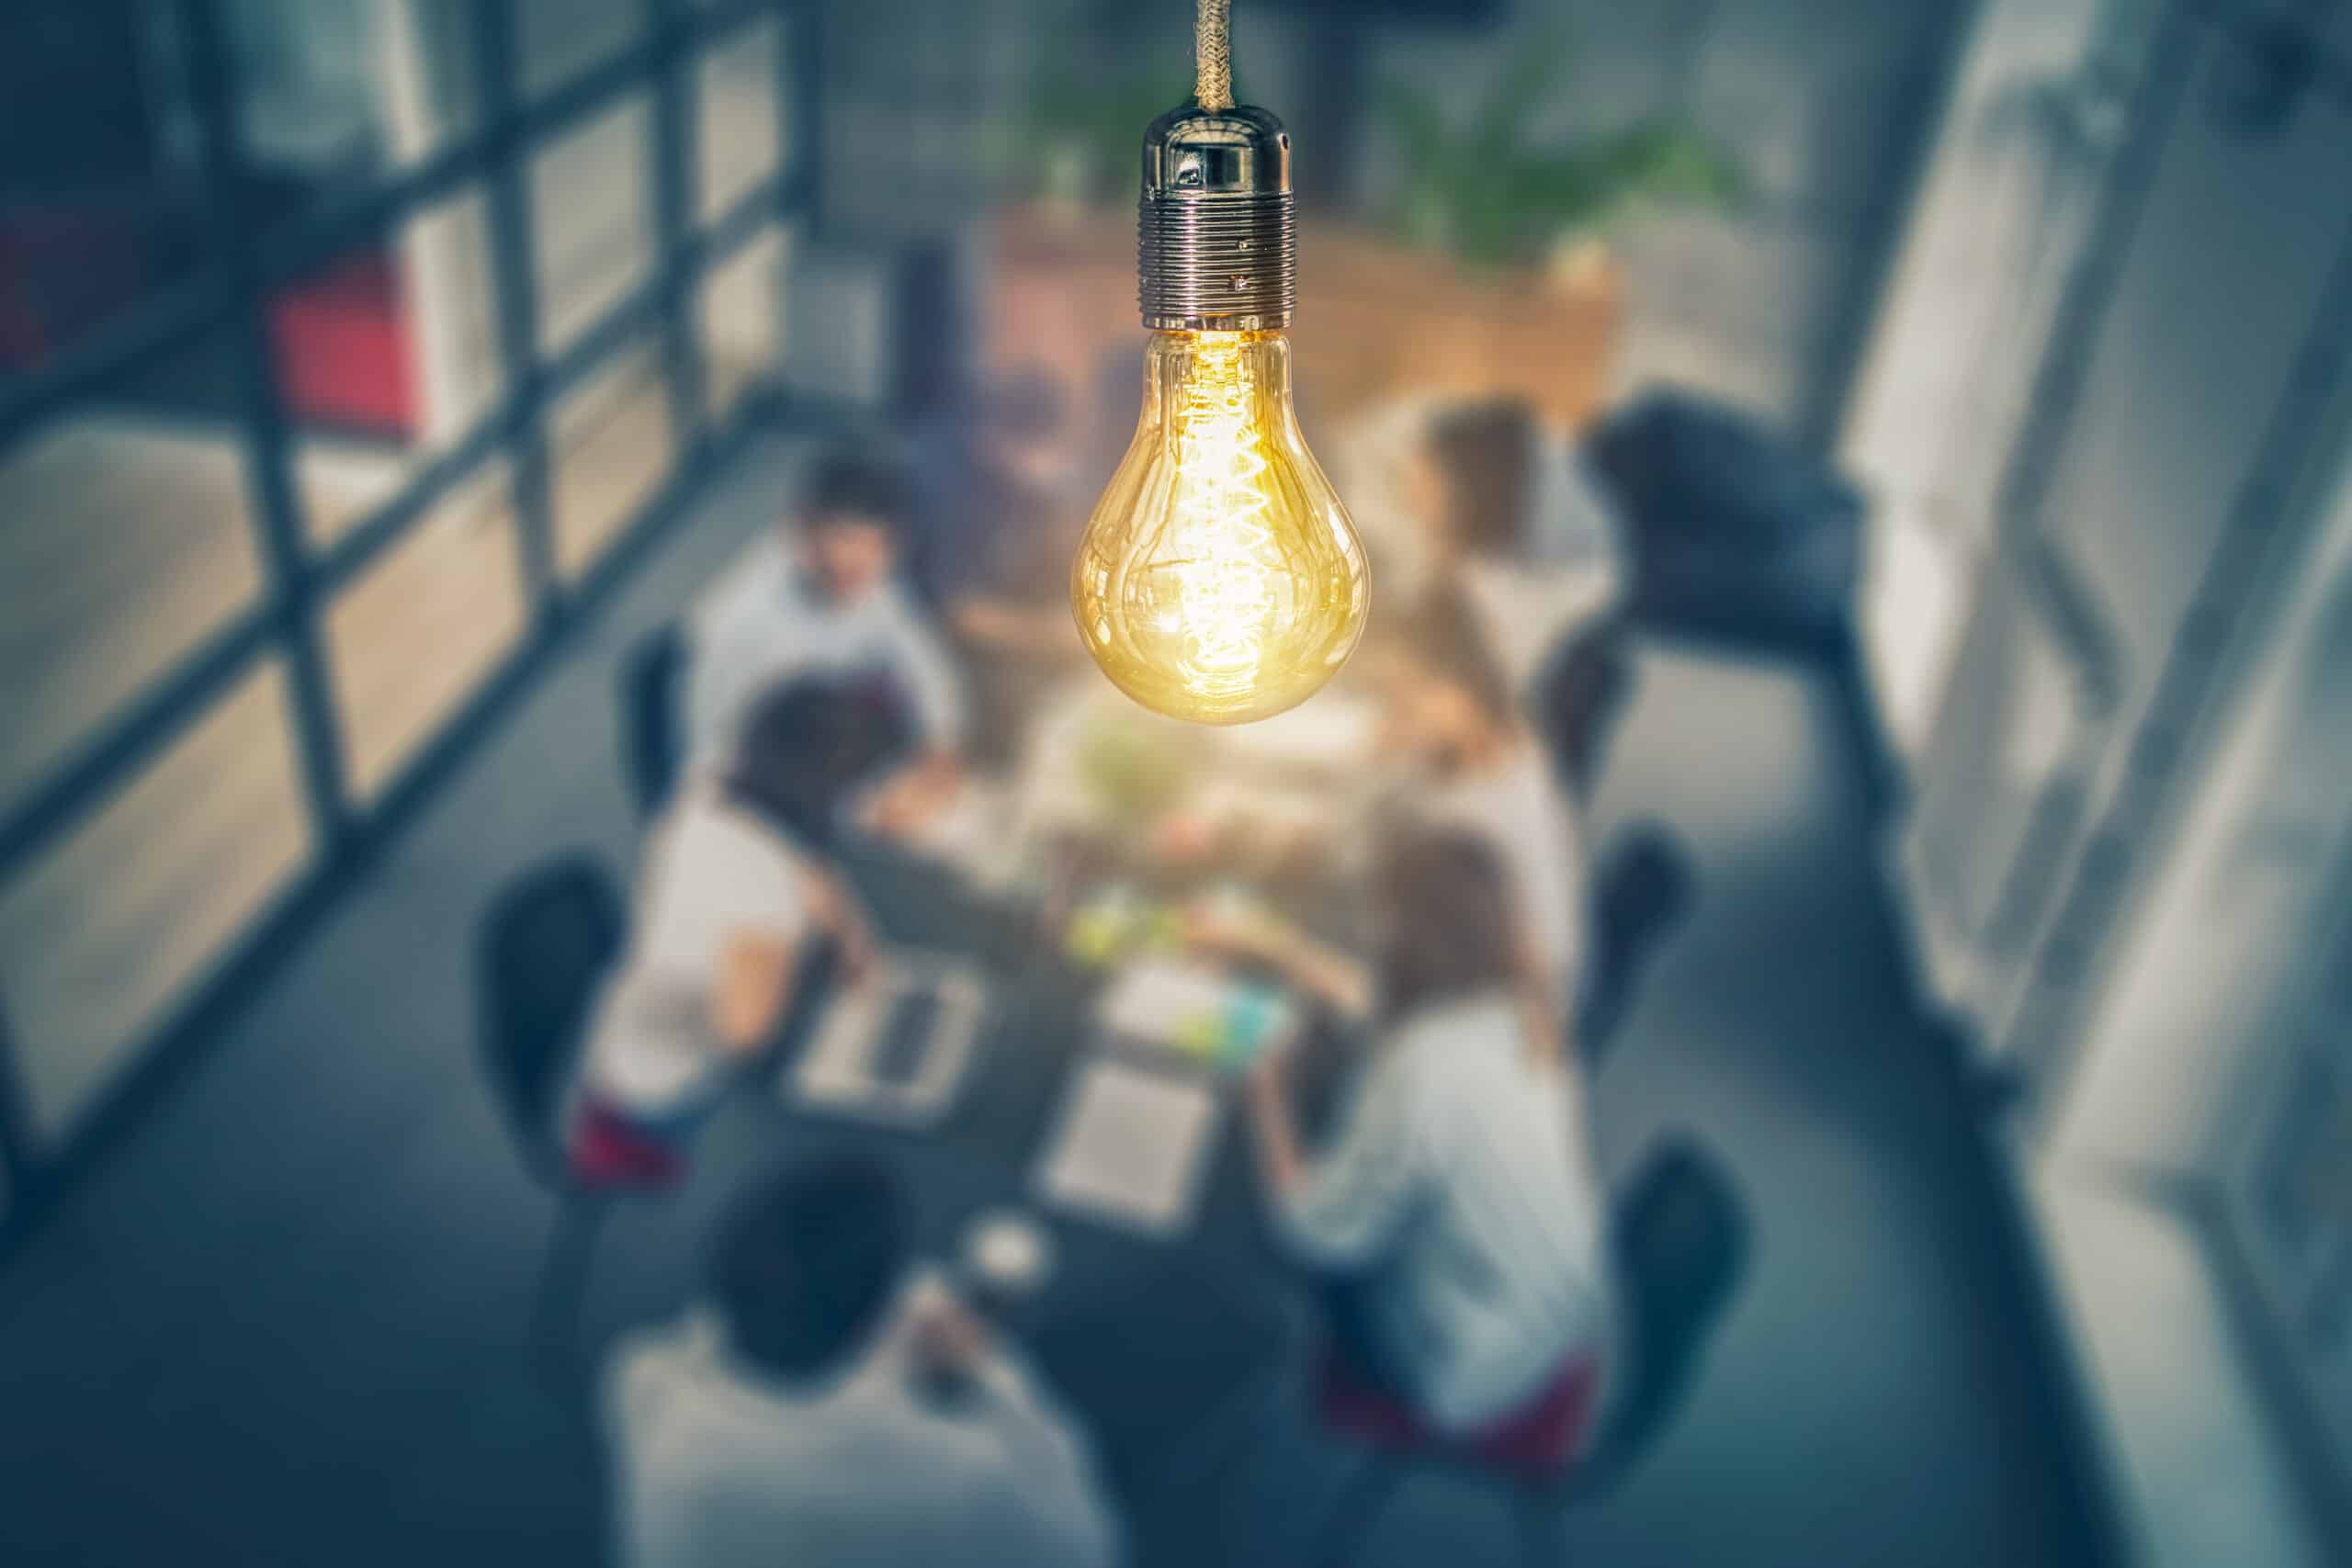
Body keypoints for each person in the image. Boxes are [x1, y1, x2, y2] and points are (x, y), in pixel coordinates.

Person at [1192, 830, 1614, 1440]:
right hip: (1557, 1315)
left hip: (1466, 1365)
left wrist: (1266, 1092)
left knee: (1233, 1243)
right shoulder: (1524, 1011)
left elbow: (1313, 1230)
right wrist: (1274, 946)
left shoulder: (1423, 1066)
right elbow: (1381, 1007)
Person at [605, 1156, 1124, 1568]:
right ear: (874, 1325)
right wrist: (988, 1377)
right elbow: (1091, 1547)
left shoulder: (640, 1379)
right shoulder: (959, 1475)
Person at [569, 680, 902, 1186]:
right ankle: (631, 1150)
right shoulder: (762, 898)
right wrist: (799, 950)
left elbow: (806, 866)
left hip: (628, 1017)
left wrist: (852, 937)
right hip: (656, 1089)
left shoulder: (718, 776)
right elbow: (746, 1037)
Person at [687, 442, 966, 831]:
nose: (863, 561)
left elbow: (922, 662)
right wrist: (858, 816)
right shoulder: (738, 626)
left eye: (880, 545)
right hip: (759, 812)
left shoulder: (866, 580)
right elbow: (713, 773)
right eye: (845, 539)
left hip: (834, 774)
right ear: (801, 529)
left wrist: (940, 747)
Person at [1364, 591, 1589, 1015]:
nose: (1391, 718)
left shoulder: (1464, 820)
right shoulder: (1513, 745)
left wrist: (1378, 764)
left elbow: (1377, 870)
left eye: (1406, 702)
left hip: (1497, 1005)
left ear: (1461, 693)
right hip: (1524, 985)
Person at [910, 369, 1091, 759]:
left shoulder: (1029, 473)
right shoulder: (952, 495)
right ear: (993, 440)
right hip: (941, 633)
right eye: (1034, 448)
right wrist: (1054, 636)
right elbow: (965, 615)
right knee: (1026, 702)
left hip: (1011, 593)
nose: (1049, 461)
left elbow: (1058, 532)